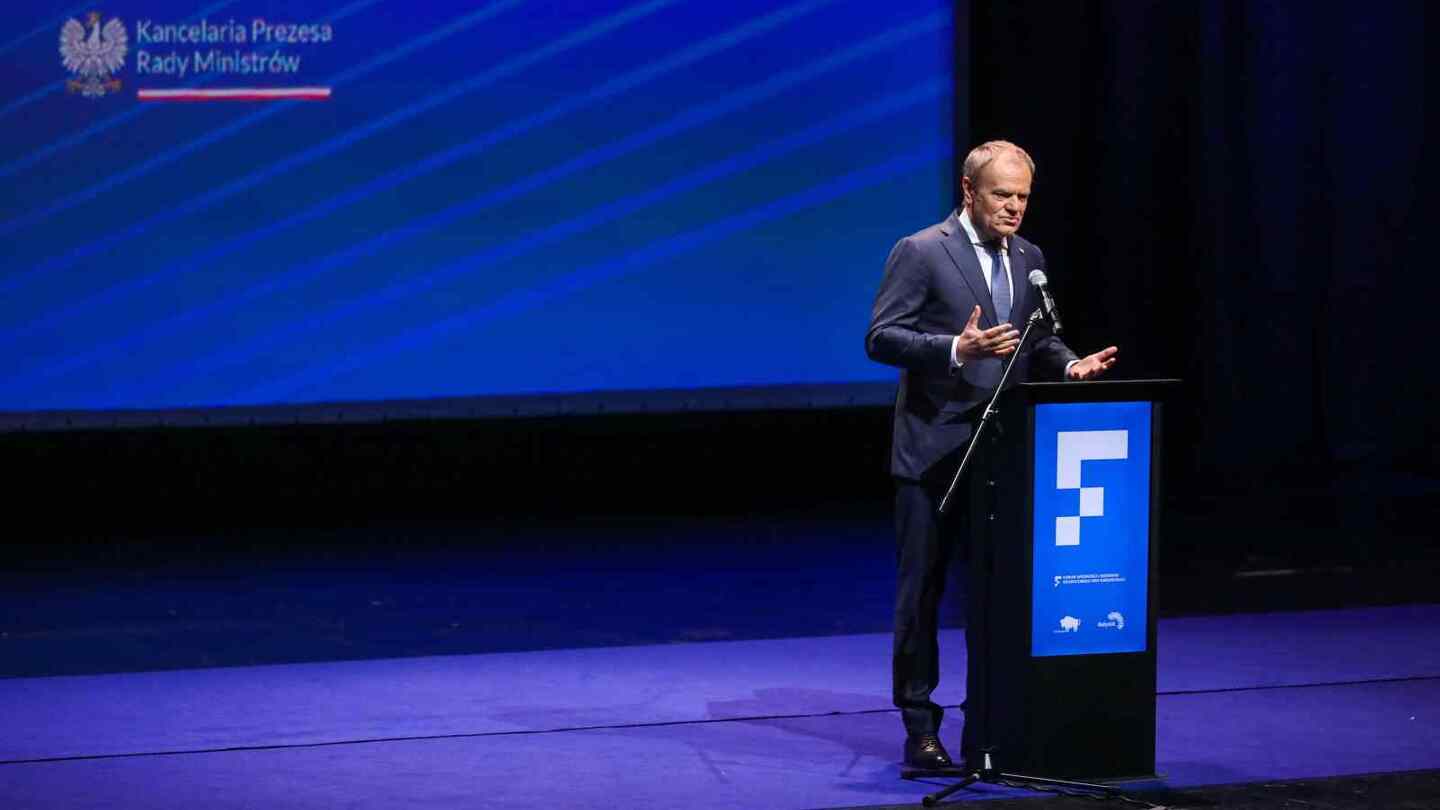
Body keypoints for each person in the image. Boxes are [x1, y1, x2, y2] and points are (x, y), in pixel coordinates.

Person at [865, 140, 1117, 770]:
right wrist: (957, 348)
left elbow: (1040, 337)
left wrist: (1069, 365)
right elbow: (882, 337)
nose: (1014, 207)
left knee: (1001, 594)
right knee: (922, 594)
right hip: (933, 454)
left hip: (1004, 456)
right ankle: (920, 726)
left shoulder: (1029, 258)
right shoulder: (922, 250)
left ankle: (991, 722)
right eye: (1002, 194)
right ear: (969, 191)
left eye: (1023, 196)